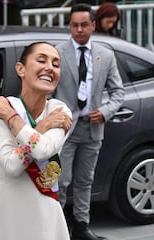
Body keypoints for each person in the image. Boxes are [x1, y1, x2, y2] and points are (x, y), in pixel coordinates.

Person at [0, 42, 73, 240]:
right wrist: (40, 127)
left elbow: (43, 151)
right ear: (20, 69)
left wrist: (12, 119)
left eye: (56, 64)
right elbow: (11, 167)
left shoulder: (59, 111)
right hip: (3, 210)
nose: (50, 67)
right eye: (41, 60)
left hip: (42, 210)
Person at [53, 3, 125, 240]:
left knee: (86, 180)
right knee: (61, 181)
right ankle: (58, 227)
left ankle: (82, 226)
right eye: (75, 25)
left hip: (93, 128)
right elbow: (47, 91)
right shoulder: (57, 53)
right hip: (64, 129)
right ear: (69, 26)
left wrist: (105, 111)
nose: (80, 30)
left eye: (84, 25)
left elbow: (118, 93)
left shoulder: (105, 54)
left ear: (93, 25)